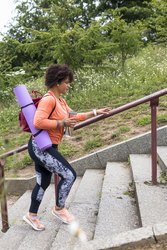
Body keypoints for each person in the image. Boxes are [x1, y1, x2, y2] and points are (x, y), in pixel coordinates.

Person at [23, 64, 111, 231]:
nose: (69, 85)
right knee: (69, 175)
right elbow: (38, 122)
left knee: (43, 182)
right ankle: (59, 209)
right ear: (58, 82)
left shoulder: (61, 101)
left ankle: (31, 215)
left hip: (48, 146)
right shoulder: (48, 100)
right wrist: (61, 123)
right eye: (67, 82)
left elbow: (74, 116)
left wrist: (95, 112)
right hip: (40, 147)